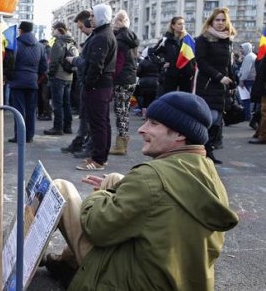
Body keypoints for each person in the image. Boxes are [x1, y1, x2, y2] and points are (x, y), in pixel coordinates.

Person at [43, 91, 239, 290]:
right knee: (115, 178)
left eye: (153, 124)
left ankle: (22, 264)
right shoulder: (209, 174)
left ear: (180, 134)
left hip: (130, 282)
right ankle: (66, 263)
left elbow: (96, 228)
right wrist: (116, 184)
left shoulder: (149, 178)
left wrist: (100, 194)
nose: (142, 130)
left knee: (61, 188)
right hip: (177, 277)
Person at [74, 4, 116, 171]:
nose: (89, 18)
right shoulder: (103, 34)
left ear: (100, 16)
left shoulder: (101, 37)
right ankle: (100, 157)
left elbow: (95, 65)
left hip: (97, 87)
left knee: (98, 124)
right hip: (101, 86)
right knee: (102, 123)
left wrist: (88, 84)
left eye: (92, 15)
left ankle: (98, 159)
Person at [194, 7, 237, 165]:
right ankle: (201, 151)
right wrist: (219, 77)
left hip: (222, 87)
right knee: (209, 119)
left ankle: (208, 151)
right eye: (217, 20)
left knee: (217, 121)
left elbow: (227, 64)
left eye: (223, 20)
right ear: (211, 21)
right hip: (207, 85)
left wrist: (233, 80)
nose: (220, 23)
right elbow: (202, 62)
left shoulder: (227, 40)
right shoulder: (203, 39)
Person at [7, 21, 47, 143]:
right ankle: (29, 136)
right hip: (32, 81)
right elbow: (44, 66)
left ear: (21, 30)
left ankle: (19, 136)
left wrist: (10, 76)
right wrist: (36, 78)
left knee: (18, 110)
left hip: (17, 81)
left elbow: (10, 62)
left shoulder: (15, 43)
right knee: (31, 110)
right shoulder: (40, 46)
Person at [61, 10, 94, 155]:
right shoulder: (93, 39)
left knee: (89, 116)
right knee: (85, 115)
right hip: (86, 82)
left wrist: (75, 60)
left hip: (91, 84)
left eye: (81, 27)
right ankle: (83, 142)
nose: (81, 30)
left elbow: (91, 63)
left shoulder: (97, 39)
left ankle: (84, 143)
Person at [108, 10, 139, 156]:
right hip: (131, 77)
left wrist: (112, 77)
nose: (114, 24)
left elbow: (118, 63)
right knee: (124, 110)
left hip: (122, 79)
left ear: (120, 22)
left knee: (120, 111)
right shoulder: (132, 37)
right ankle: (123, 142)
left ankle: (120, 145)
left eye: (116, 21)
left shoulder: (120, 40)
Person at [44, 21, 77, 136]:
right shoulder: (71, 42)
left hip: (58, 76)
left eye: (53, 29)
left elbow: (54, 62)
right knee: (67, 103)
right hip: (69, 77)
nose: (52, 31)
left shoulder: (59, 42)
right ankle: (68, 127)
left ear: (59, 30)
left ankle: (57, 127)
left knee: (57, 103)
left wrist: (50, 74)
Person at [156, 16, 194, 95]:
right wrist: (162, 63)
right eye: (179, 24)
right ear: (173, 26)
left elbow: (194, 56)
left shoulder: (188, 39)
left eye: (183, 24)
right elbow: (152, 53)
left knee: (185, 100)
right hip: (171, 75)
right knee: (169, 99)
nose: (182, 26)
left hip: (186, 76)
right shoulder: (166, 40)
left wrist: (192, 71)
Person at [238, 42, 256, 121]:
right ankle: (249, 115)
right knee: (249, 99)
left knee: (246, 100)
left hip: (247, 80)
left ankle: (247, 116)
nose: (241, 50)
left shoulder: (248, 57)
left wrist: (241, 79)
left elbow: (246, 70)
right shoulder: (251, 56)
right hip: (250, 80)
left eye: (242, 48)